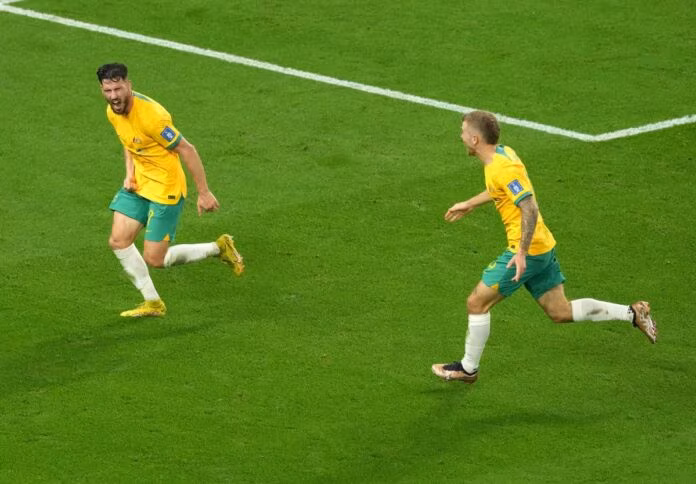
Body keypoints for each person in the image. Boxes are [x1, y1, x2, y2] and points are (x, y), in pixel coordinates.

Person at [432, 111, 657, 383]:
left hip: (526, 251)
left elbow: (529, 207)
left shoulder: (502, 168)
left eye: (463, 132)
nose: (461, 136)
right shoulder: (502, 154)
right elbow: (500, 190)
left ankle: (468, 369)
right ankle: (632, 313)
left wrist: (521, 253)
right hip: (542, 246)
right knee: (560, 311)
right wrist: (470, 203)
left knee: (476, 302)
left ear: (475, 139)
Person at [97, 63, 244, 318]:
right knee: (118, 241)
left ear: (129, 85)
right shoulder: (113, 111)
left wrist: (204, 192)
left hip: (165, 188)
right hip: (139, 184)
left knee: (155, 259)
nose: (113, 96)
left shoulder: (153, 117)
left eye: (118, 89)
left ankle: (219, 247)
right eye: (108, 90)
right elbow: (128, 142)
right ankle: (153, 303)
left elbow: (187, 149)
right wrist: (129, 174)